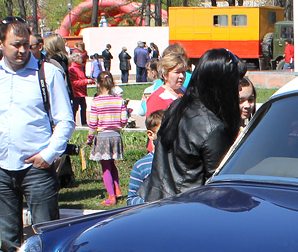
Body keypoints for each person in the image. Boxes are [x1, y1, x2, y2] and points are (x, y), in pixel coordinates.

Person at [0, 18, 74, 251]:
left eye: (25, 44)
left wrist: (49, 155)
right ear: (0, 44)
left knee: (47, 235)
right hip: (0, 167)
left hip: (37, 168)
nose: (22, 51)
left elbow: (65, 120)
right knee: (7, 238)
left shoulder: (47, 73)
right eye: (15, 45)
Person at [141, 49, 243, 202]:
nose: (239, 89)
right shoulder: (212, 127)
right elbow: (218, 185)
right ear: (222, 84)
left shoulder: (178, 106)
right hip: (186, 206)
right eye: (236, 82)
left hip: (156, 197)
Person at [87, 71, 128, 206]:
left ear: (98, 84)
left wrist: (90, 138)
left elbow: (93, 123)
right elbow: (123, 120)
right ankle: (117, 189)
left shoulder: (96, 101)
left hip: (103, 136)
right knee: (112, 164)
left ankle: (111, 197)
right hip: (116, 136)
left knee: (105, 167)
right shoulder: (119, 99)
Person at [126, 110, 165, 206]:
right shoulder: (141, 166)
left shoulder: (181, 162)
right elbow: (131, 200)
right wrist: (153, 201)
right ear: (151, 135)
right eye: (163, 133)